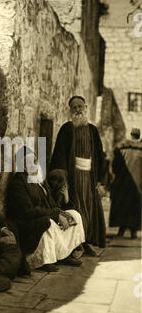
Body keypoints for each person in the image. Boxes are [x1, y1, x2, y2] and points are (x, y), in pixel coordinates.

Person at [6, 147, 85, 272]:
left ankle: (64, 254)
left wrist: (62, 208)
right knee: (49, 222)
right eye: (31, 162)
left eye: (36, 161)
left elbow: (52, 205)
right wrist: (55, 215)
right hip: (27, 223)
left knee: (75, 215)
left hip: (43, 215)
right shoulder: (18, 183)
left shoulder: (39, 181)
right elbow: (27, 211)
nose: (36, 165)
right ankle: (45, 259)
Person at [50, 95, 107, 255]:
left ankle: (87, 240)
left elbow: (100, 155)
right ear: (70, 110)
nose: (77, 110)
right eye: (74, 107)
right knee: (77, 208)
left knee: (89, 208)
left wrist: (100, 179)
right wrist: (62, 179)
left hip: (89, 177)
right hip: (73, 177)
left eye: (80, 107)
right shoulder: (66, 129)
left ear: (85, 108)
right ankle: (78, 243)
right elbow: (60, 155)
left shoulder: (93, 130)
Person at [109, 128, 142, 239]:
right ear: (138, 136)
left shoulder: (121, 147)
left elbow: (115, 166)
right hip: (137, 183)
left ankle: (121, 230)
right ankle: (133, 232)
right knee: (135, 206)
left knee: (122, 205)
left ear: (131, 135)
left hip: (123, 182)